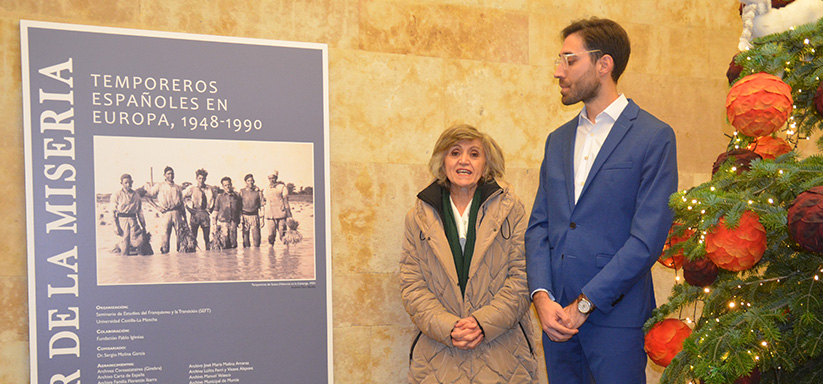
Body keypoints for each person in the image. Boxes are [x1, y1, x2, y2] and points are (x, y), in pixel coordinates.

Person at [524, 18, 678, 383]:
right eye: (559, 60)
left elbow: (646, 241)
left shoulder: (654, 136)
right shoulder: (557, 140)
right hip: (557, 323)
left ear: (603, 64)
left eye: (570, 60)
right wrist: (542, 298)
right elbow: (539, 228)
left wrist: (585, 304)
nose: (558, 71)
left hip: (616, 324)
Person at [400, 124, 538, 383]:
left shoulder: (513, 210)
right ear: (442, 162)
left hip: (504, 354)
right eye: (455, 153)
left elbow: (523, 277)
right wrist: (449, 327)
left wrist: (483, 324)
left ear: (486, 165)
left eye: (474, 154)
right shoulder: (417, 217)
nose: (464, 160)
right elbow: (412, 285)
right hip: (438, 356)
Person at [147, 166, 186, 254]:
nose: (170, 175)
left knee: (180, 236)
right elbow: (148, 196)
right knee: (165, 236)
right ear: (164, 175)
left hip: (177, 212)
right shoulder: (160, 186)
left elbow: (181, 203)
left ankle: (180, 257)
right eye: (168, 174)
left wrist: (185, 218)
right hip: (166, 213)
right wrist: (157, 207)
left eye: (172, 173)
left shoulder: (178, 187)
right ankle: (165, 256)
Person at [111, 174, 147, 255]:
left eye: (130, 182)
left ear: (132, 182)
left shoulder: (136, 195)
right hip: (122, 221)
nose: (128, 185)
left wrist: (144, 226)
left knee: (139, 243)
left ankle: (138, 262)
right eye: (126, 183)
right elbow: (112, 212)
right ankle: (124, 260)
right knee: (124, 246)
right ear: (121, 183)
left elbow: (140, 212)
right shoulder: (117, 194)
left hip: (133, 220)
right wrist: (115, 226)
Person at [183, 168, 215, 250]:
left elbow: (215, 200)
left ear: (205, 179)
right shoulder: (192, 188)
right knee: (193, 237)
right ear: (196, 178)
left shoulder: (209, 189)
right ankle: (193, 254)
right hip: (195, 214)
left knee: (206, 237)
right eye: (199, 178)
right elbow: (181, 196)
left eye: (203, 178)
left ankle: (208, 254)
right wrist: (188, 207)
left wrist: (211, 209)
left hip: (205, 214)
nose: (201, 180)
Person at [262, 170, 291, 245]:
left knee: (282, 233)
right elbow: (263, 202)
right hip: (270, 215)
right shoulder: (266, 189)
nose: (271, 180)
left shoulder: (282, 187)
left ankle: (286, 249)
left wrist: (289, 215)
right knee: (271, 235)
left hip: (281, 214)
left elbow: (286, 202)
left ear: (276, 178)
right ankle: (271, 249)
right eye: (270, 178)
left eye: (273, 178)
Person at [214, 176, 241, 249]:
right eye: (225, 185)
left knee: (233, 244)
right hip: (223, 222)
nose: (227, 187)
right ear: (223, 186)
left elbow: (240, 209)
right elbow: (216, 210)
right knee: (224, 244)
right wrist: (214, 224)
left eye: (229, 184)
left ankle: (233, 256)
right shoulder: (219, 197)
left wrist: (240, 221)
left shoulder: (237, 196)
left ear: (231, 184)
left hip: (233, 222)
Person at [240, 174, 263, 248]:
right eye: (248, 181)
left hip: (255, 216)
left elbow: (261, 206)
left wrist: (262, 219)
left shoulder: (258, 192)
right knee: (245, 240)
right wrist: (240, 219)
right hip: (245, 216)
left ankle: (257, 253)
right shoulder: (242, 192)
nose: (250, 182)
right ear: (245, 182)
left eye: (252, 180)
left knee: (257, 239)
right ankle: (246, 254)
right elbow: (239, 206)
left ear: (254, 181)